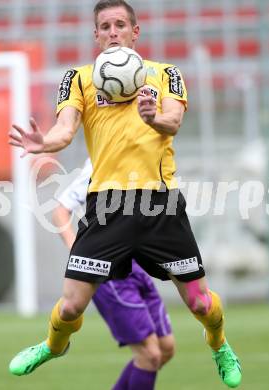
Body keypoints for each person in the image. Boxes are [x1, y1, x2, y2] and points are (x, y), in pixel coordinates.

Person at [8, 0, 242, 388]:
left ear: (136, 32)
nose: (112, 31)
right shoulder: (78, 78)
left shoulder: (166, 73)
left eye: (120, 24)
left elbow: (173, 121)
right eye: (105, 26)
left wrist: (153, 118)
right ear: (96, 35)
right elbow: (64, 131)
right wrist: (44, 142)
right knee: (70, 306)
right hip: (107, 207)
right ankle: (53, 345)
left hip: (159, 205)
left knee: (201, 303)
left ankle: (218, 343)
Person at [52, 158, 175, 389]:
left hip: (138, 266)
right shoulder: (102, 157)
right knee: (150, 355)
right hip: (108, 272)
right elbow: (60, 212)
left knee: (165, 348)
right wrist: (81, 256)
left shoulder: (149, 151)